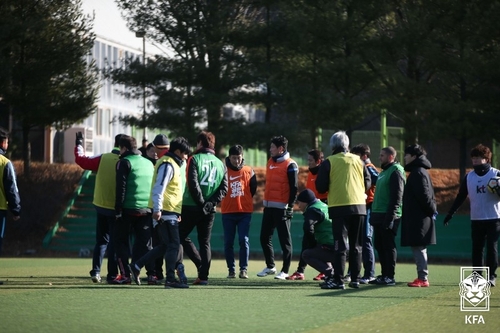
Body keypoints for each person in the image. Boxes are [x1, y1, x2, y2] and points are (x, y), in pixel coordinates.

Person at [129, 137, 192, 289]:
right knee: (174, 245)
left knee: (165, 246)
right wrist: (157, 209)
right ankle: (170, 279)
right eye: (184, 153)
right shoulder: (168, 164)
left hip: (170, 211)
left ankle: (137, 265)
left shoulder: (172, 163)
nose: (186, 157)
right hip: (165, 210)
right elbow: (159, 187)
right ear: (177, 151)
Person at [315, 131, 370, 289]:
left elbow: (320, 186)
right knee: (356, 245)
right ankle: (355, 279)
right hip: (359, 206)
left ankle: (338, 280)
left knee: (340, 245)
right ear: (347, 145)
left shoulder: (329, 162)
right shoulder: (359, 160)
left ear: (333, 146)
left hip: (339, 206)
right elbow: (368, 181)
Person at [444, 144, 500, 287]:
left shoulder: (496, 174)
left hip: (493, 218)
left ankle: (492, 276)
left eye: (478, 158)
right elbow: (461, 196)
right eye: (473, 158)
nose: (475, 161)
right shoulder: (469, 177)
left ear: (486, 159)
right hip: (476, 218)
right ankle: (477, 276)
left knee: (491, 248)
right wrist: (451, 213)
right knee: (477, 249)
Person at [179, 131, 228, 285]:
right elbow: (224, 188)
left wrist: (201, 203)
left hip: (191, 206)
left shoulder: (194, 159)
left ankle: (198, 266)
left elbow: (193, 184)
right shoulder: (220, 163)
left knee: (179, 236)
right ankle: (203, 276)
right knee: (205, 242)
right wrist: (210, 203)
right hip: (209, 210)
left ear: (200, 143)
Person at [74, 132, 123, 283]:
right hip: (117, 208)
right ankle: (113, 274)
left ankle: (96, 272)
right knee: (115, 242)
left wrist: (79, 145)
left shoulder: (103, 158)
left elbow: (81, 160)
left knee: (101, 241)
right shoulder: (127, 160)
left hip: (101, 205)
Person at [114, 135, 155, 284]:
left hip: (128, 209)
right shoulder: (149, 163)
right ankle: (151, 274)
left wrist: (118, 209)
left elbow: (121, 188)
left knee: (121, 242)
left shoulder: (124, 162)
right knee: (145, 244)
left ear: (124, 148)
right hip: (146, 209)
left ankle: (125, 275)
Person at [257, 135, 298, 280]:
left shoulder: (291, 165)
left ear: (281, 149)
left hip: (282, 209)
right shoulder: (270, 162)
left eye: (273, 147)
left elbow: (294, 188)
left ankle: (285, 270)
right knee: (264, 237)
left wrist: (290, 206)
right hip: (269, 207)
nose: (270, 150)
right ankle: (270, 266)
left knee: (284, 240)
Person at [401, 144, 437, 288]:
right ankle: (422, 276)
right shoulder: (420, 171)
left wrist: (431, 210)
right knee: (418, 247)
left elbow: (424, 196)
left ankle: (423, 278)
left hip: (419, 218)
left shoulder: (418, 173)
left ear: (414, 156)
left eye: (407, 155)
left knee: (419, 247)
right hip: (419, 217)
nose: (405, 157)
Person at [288, 149, 326, 281]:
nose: (308, 163)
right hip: (312, 211)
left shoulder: (325, 173)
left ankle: (326, 270)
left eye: (310, 160)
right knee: (307, 239)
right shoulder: (311, 173)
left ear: (318, 161)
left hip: (320, 213)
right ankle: (300, 271)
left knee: (323, 242)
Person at [369, 146, 405, 286]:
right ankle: (384, 275)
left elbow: (397, 197)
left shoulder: (396, 171)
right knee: (379, 245)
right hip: (379, 214)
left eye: (382, 155)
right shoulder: (384, 172)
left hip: (389, 215)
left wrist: (390, 218)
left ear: (391, 157)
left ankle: (390, 276)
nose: (380, 157)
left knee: (388, 246)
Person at [220, 145, 257, 279]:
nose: (236, 161)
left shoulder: (249, 171)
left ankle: (243, 269)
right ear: (229, 157)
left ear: (242, 157)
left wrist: (243, 200)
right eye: (234, 158)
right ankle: (231, 270)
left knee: (243, 240)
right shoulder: (223, 170)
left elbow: (253, 189)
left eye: (238, 158)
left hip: (244, 212)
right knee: (228, 242)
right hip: (227, 212)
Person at [351, 143, 378, 284]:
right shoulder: (359, 167)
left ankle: (370, 274)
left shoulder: (368, 167)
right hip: (361, 206)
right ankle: (354, 272)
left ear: (364, 156)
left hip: (368, 206)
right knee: (357, 240)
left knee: (366, 239)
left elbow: (377, 180)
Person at [295, 189, 335, 287]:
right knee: (320, 247)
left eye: (299, 202)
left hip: (331, 246)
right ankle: (333, 274)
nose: (298, 206)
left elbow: (308, 228)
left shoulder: (313, 209)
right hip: (342, 245)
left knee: (307, 254)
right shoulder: (324, 206)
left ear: (305, 202)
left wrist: (311, 243)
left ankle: (332, 275)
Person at [0, 128, 21, 256]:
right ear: (2, 143)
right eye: (6, 142)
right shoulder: (5, 163)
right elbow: (11, 188)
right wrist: (15, 209)